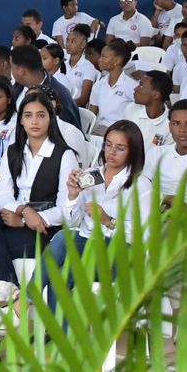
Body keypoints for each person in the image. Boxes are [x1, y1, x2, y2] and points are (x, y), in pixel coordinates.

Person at [0, 92, 81, 305]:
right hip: (17, 217)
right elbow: (2, 195)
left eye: (41, 115)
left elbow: (65, 208)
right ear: (21, 120)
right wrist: (23, 211)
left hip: (44, 229)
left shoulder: (64, 155)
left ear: (51, 118)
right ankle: (3, 286)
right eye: (28, 115)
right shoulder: (13, 152)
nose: (34, 121)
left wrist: (26, 221)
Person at [42, 120, 147, 312]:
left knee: (64, 239)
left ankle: (27, 298)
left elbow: (144, 235)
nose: (111, 152)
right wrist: (73, 195)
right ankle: (62, 337)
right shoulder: (90, 176)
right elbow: (72, 222)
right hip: (87, 248)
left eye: (120, 148)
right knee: (60, 270)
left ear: (133, 151)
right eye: (108, 145)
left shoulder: (141, 185)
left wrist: (109, 221)